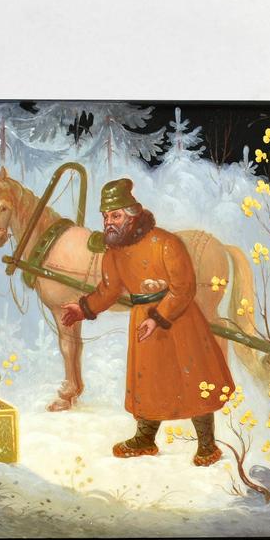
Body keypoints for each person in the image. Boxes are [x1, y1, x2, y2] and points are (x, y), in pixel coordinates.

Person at [61, 178, 233, 466]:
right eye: (106, 217)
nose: (109, 223)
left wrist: (157, 318)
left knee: (192, 379)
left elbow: (184, 288)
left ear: (132, 215)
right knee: (148, 381)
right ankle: (145, 439)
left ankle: (207, 445)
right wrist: (83, 308)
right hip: (142, 321)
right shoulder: (114, 252)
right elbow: (109, 290)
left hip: (179, 319)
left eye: (115, 216)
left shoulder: (165, 243)